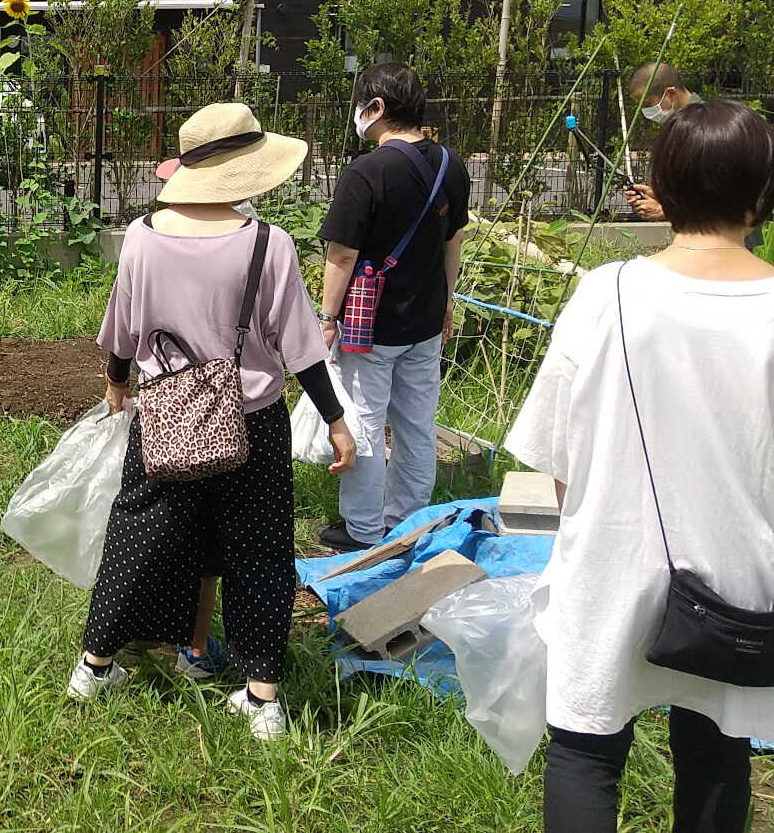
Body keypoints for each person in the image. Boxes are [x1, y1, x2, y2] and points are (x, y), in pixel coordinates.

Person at [506, 100, 774, 833]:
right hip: (738, 580)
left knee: (587, 752)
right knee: (719, 743)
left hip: (612, 564)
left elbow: (559, 464)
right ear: (761, 191)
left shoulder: (606, 292)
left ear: (664, 183)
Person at [69, 103, 357, 742]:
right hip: (251, 421)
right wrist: (336, 421)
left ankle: (95, 666)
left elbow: (124, 331)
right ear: (247, 170)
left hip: (164, 418)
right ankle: (262, 698)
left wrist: (120, 383)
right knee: (260, 553)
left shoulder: (141, 236)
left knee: (137, 536)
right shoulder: (267, 243)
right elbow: (302, 349)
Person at [313, 62, 470, 553]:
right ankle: (408, 522)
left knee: (362, 420)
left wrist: (326, 318)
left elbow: (341, 255)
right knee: (417, 425)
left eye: (361, 105)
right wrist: (447, 302)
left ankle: (362, 530)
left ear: (376, 108)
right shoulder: (452, 165)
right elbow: (453, 239)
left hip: (370, 326)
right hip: (424, 322)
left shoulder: (367, 172)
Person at [622, 62, 703, 222]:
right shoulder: (681, 126)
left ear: (671, 94)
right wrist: (663, 197)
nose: (646, 112)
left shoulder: (705, 127)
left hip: (728, 237)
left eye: (648, 104)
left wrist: (666, 210)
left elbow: (718, 194)